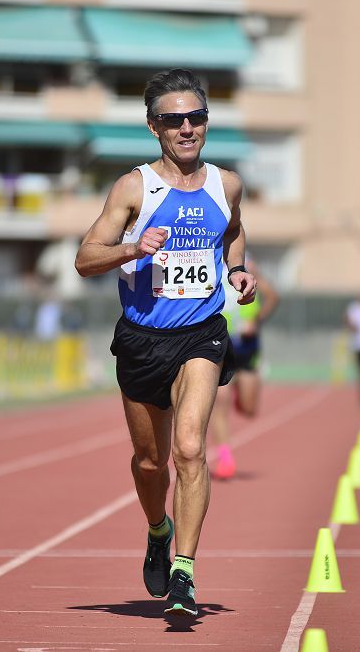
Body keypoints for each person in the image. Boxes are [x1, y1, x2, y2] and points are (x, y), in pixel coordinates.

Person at [75, 68, 256, 618]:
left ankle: (184, 574)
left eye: (196, 117)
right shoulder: (134, 188)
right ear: (154, 126)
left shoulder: (226, 185)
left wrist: (238, 269)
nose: (187, 128)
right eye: (174, 119)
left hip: (201, 332)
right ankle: (158, 527)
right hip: (141, 338)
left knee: (190, 449)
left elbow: (234, 231)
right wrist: (131, 249)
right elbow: (85, 259)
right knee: (151, 463)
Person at [209, 257, 280, 480]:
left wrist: (256, 321)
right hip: (220, 345)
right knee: (220, 403)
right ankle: (225, 459)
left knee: (249, 409)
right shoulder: (206, 262)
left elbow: (273, 297)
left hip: (247, 348)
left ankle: (241, 393)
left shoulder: (248, 265)